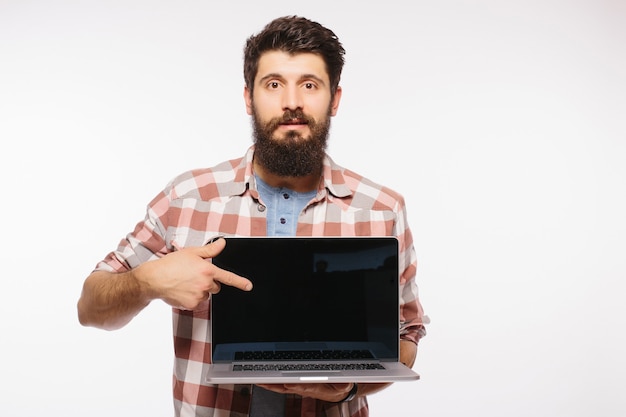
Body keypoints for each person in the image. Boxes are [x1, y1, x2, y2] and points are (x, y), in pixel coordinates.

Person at [77, 15, 427, 417]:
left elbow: (407, 333)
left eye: (309, 85)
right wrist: (145, 282)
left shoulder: (381, 209)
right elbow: (89, 306)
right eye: (274, 84)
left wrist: (348, 388)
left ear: (335, 99)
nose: (291, 101)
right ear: (249, 97)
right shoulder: (187, 198)